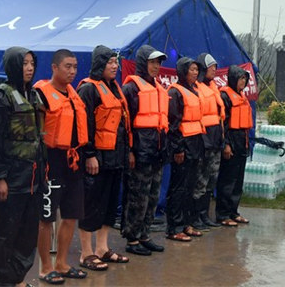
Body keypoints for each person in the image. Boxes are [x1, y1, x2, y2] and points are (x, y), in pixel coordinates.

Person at [0, 47, 45, 287]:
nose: (29, 68)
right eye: (24, 63)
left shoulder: (34, 96)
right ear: (13, 65)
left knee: (27, 233)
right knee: (5, 234)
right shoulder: (1, 97)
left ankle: (17, 279)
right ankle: (3, 281)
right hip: (11, 179)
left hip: (33, 178)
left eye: (32, 63)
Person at [34, 49, 91, 282]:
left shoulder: (74, 94)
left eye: (75, 67)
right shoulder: (41, 93)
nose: (72, 71)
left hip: (73, 162)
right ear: (55, 68)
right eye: (68, 66)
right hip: (51, 163)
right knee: (47, 218)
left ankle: (63, 263)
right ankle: (45, 267)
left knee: (71, 216)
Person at [77, 45, 132, 270]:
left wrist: (127, 153)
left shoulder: (115, 89)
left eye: (116, 62)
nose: (115, 66)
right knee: (91, 204)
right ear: (100, 63)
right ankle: (86, 253)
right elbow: (84, 125)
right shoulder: (89, 90)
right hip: (97, 158)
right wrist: (90, 154)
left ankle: (102, 248)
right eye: (110, 62)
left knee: (109, 205)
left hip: (115, 158)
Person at [121, 45, 169, 256]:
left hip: (157, 152)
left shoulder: (159, 88)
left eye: (158, 62)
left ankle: (144, 235)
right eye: (152, 62)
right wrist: (130, 151)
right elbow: (125, 124)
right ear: (142, 63)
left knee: (152, 197)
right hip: (140, 152)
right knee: (137, 198)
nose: (156, 66)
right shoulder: (131, 89)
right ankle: (132, 239)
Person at [165, 57, 205, 242]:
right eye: (192, 70)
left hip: (195, 143)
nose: (195, 73)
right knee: (178, 188)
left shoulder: (193, 90)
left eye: (197, 70)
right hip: (183, 145)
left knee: (190, 187)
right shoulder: (175, 92)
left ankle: (187, 223)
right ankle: (174, 227)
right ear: (183, 71)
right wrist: (178, 148)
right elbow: (173, 123)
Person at [192, 53, 225, 230]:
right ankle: (195, 215)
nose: (215, 70)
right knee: (200, 181)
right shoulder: (196, 87)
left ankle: (204, 214)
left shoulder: (214, 87)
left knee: (212, 179)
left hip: (215, 140)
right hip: (203, 141)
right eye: (212, 67)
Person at [216, 65, 252, 226]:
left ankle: (233, 212)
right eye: (240, 78)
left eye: (245, 78)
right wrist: (226, 145)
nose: (243, 82)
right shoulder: (225, 96)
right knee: (227, 180)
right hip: (231, 142)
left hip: (242, 142)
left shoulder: (242, 97)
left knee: (238, 181)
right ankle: (223, 214)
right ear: (233, 79)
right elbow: (222, 124)